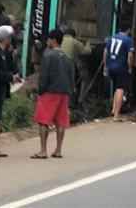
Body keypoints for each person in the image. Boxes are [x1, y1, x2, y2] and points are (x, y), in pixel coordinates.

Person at [32, 29, 74, 159]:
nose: (47, 42)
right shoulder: (67, 58)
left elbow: (44, 76)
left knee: (43, 121)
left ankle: (43, 150)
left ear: (54, 40)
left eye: (49, 39)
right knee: (60, 122)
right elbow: (72, 77)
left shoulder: (48, 55)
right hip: (64, 93)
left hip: (50, 92)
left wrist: (40, 90)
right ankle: (58, 150)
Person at [0, 25, 20, 159]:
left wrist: (13, 75)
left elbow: (9, 68)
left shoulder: (4, 53)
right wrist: (11, 77)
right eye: (9, 37)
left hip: (0, 92)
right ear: (5, 39)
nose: (11, 39)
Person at [103, 28, 134, 121]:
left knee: (116, 88)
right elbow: (130, 56)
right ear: (128, 30)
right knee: (120, 89)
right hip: (121, 68)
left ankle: (113, 109)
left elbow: (105, 52)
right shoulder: (128, 40)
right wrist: (130, 67)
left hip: (111, 66)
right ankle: (116, 115)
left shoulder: (111, 38)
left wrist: (105, 66)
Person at [60, 28, 92, 105]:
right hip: (68, 65)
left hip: (57, 64)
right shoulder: (74, 41)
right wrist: (88, 43)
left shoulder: (59, 40)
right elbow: (87, 51)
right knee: (84, 78)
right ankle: (79, 100)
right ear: (73, 35)